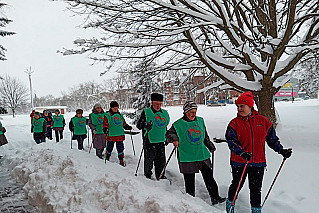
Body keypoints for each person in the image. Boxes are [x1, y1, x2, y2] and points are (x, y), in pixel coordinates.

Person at [225, 91, 292, 213]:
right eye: (238, 106)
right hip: (240, 162)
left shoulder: (263, 121)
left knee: (256, 189)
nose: (239, 109)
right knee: (236, 185)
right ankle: (230, 205)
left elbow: (272, 139)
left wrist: (282, 150)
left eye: (242, 106)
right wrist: (241, 153)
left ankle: (256, 210)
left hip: (258, 162)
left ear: (250, 106)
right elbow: (231, 141)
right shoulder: (234, 123)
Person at [166, 101, 226, 205]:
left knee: (209, 178)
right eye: (191, 112)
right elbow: (168, 134)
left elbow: (205, 136)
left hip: (202, 154)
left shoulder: (200, 121)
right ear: (185, 112)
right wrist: (174, 138)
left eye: (195, 111)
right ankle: (191, 201)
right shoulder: (178, 124)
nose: (194, 114)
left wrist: (209, 144)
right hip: (187, 156)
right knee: (189, 181)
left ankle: (215, 197)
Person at [136, 93, 170, 180]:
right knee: (149, 161)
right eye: (156, 104)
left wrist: (166, 137)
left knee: (161, 161)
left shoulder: (165, 113)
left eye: (160, 104)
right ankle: (147, 176)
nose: (158, 106)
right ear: (152, 103)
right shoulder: (146, 112)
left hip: (161, 140)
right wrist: (144, 124)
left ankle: (160, 175)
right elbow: (139, 125)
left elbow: (165, 126)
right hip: (149, 141)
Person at [103, 101, 132, 166]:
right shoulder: (107, 115)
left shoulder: (120, 115)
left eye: (117, 108)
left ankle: (121, 160)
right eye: (114, 108)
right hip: (111, 134)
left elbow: (123, 123)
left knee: (120, 148)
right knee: (109, 147)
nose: (116, 109)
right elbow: (105, 123)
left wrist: (126, 126)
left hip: (119, 134)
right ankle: (107, 157)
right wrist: (105, 128)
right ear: (111, 108)